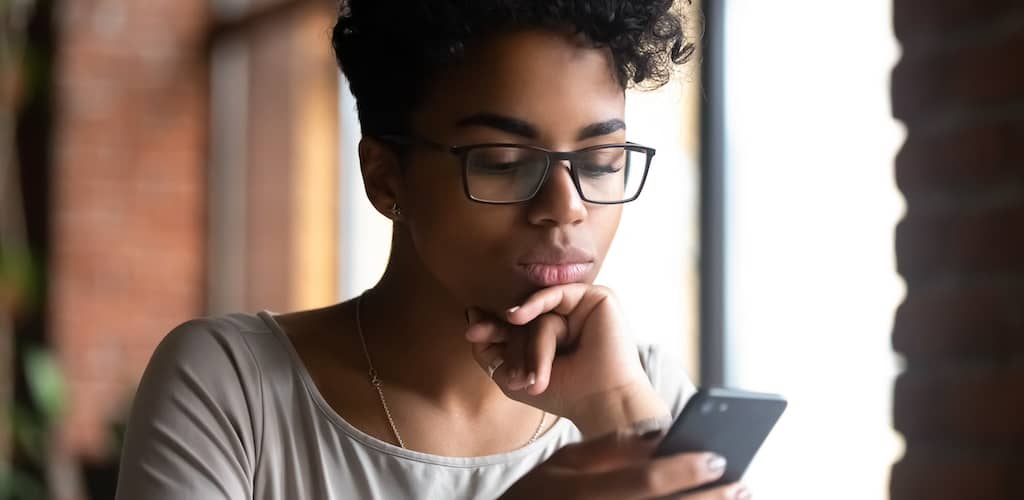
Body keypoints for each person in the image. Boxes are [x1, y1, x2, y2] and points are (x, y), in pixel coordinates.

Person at [114, 1, 749, 498]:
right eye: (503, 162)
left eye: (601, 161)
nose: (567, 205)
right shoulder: (234, 390)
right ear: (387, 177)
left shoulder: (645, 387)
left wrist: (616, 411)